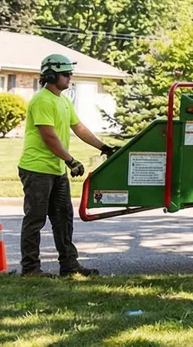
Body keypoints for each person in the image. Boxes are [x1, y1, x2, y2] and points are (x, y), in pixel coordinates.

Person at [18, 53, 116, 277]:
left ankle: (69, 266)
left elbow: (79, 127)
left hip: (54, 169)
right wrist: (70, 160)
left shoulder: (62, 100)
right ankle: (30, 269)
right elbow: (49, 137)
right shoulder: (42, 100)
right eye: (65, 73)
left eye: (70, 73)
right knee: (35, 219)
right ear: (51, 75)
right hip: (36, 169)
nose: (70, 77)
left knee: (63, 218)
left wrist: (104, 147)